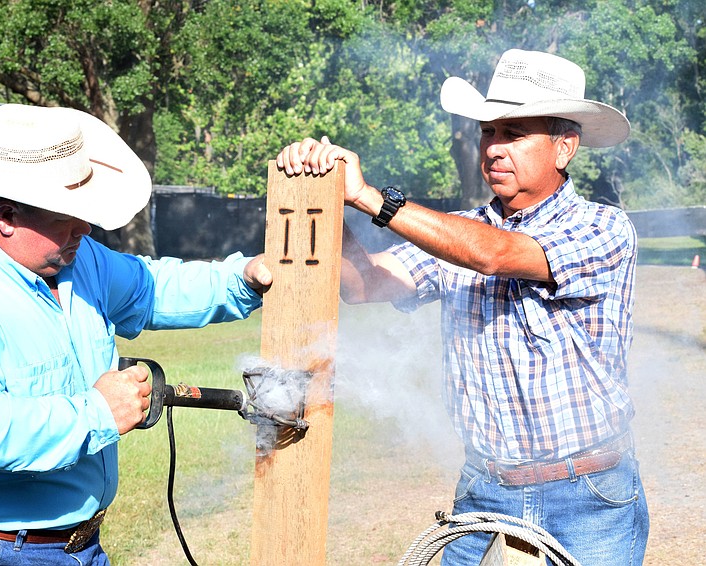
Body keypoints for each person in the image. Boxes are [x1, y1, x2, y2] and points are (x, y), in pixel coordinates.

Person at [276, 49, 648, 565]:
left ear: (565, 147)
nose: (494, 148)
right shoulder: (456, 234)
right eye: (487, 133)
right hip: (485, 491)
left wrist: (369, 197)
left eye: (513, 133)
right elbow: (362, 285)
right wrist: (320, 194)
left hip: (586, 495)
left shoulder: (603, 228)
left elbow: (495, 256)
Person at [0, 103, 272, 565]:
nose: (85, 228)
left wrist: (243, 278)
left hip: (66, 548)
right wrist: (97, 412)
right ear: (7, 216)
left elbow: (151, 287)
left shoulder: (76, 257)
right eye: (66, 215)